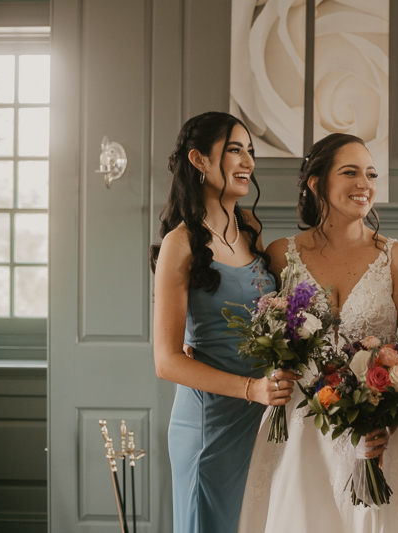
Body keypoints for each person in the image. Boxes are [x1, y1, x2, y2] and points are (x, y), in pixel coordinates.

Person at [238, 133, 398, 533]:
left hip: (382, 433)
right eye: (349, 172)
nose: (364, 183)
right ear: (316, 183)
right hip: (301, 430)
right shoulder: (282, 254)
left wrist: (388, 417)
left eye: (370, 173)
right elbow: (249, 313)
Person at [151, 112, 298, 533]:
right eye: (235, 149)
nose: (248, 161)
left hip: (261, 420)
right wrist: (252, 389)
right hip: (210, 426)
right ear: (198, 160)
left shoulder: (250, 228)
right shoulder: (180, 244)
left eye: (250, 151)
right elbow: (166, 362)